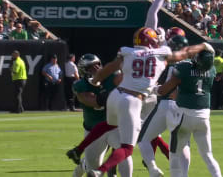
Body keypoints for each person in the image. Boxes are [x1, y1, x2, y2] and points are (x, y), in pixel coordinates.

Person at [87, 27, 214, 176]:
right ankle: (102, 170)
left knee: (117, 133)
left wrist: (95, 80)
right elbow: (185, 54)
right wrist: (203, 45)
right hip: (146, 101)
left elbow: (110, 67)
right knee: (132, 145)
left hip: (118, 96)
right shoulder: (163, 54)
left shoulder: (128, 51)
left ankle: (96, 164)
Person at [156, 49, 222, 177]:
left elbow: (165, 90)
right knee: (208, 156)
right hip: (203, 118)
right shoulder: (212, 70)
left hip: (184, 117)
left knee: (174, 154)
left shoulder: (184, 68)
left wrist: (155, 89)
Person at [137, 35, 191, 176]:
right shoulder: (192, 65)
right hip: (186, 107)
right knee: (183, 144)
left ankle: (153, 168)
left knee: (143, 139)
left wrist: (155, 89)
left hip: (166, 104)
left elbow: (164, 88)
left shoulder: (168, 63)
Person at [71, 53, 130, 177]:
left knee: (124, 152)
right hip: (94, 131)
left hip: (113, 127)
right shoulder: (80, 85)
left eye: (98, 65)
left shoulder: (112, 77)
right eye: (91, 67)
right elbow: (93, 102)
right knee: (93, 169)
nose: (97, 69)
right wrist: (111, 95)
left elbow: (128, 81)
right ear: (84, 71)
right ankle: (81, 168)